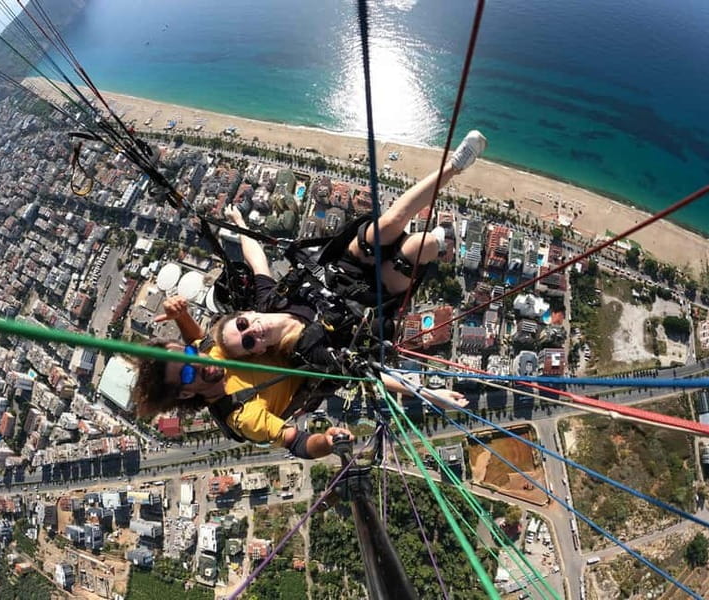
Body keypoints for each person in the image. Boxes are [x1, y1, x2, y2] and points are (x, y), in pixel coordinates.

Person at [212, 130, 486, 405]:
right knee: (422, 245)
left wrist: (240, 225)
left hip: (345, 265)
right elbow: (367, 376)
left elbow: (256, 259)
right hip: (370, 297)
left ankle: (455, 166)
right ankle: (436, 241)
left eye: (242, 325)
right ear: (258, 352)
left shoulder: (268, 301)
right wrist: (431, 395)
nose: (252, 331)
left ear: (245, 313)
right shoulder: (305, 352)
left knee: (390, 223)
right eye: (248, 342)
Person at [131, 296, 354, 459]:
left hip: (294, 332)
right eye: (187, 373)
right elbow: (297, 442)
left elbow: (197, 339)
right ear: (186, 393)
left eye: (188, 354)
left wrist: (181, 316)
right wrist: (327, 442)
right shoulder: (244, 415)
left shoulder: (209, 354)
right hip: (320, 362)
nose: (198, 363)